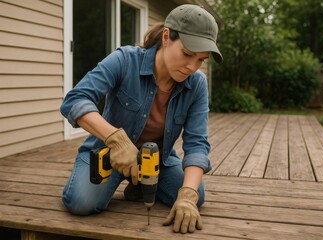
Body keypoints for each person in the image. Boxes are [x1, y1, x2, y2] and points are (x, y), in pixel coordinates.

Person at [60, 4, 223, 234]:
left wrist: (187, 196)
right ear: (167, 37)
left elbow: (197, 143)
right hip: (109, 154)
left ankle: (140, 187)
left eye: (200, 60)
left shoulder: (196, 84)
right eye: (187, 54)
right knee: (81, 202)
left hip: (156, 160)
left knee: (196, 195)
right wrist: (115, 139)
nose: (192, 66)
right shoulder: (124, 60)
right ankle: (135, 182)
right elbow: (75, 99)